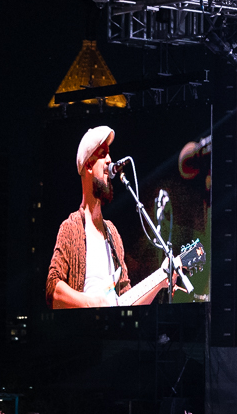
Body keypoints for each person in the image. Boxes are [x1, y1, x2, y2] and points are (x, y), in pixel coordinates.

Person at [45, 126, 178, 308]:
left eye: (109, 154)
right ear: (89, 166)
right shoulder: (71, 227)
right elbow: (53, 288)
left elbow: (127, 300)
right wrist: (92, 302)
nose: (109, 160)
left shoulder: (113, 234)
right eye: (102, 154)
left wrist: (160, 281)